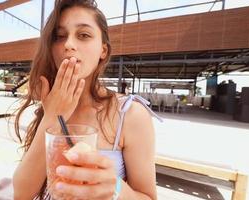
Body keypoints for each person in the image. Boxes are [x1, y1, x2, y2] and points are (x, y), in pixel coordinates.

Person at [13, 0, 161, 199]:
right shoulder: (49, 105)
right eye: (59, 36)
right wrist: (52, 115)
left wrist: (115, 187)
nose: (68, 44)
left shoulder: (130, 114)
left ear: (103, 50)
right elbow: (21, 193)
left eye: (83, 35)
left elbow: (148, 196)